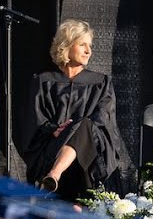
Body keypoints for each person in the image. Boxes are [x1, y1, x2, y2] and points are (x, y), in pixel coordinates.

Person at [16, 19, 131, 200]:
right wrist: (53, 130)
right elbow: (34, 120)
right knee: (80, 126)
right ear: (66, 46)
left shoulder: (100, 83)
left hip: (92, 155)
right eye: (82, 45)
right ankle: (70, 195)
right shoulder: (44, 81)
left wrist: (72, 127)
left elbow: (103, 120)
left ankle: (55, 174)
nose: (89, 51)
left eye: (90, 46)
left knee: (84, 125)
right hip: (51, 149)